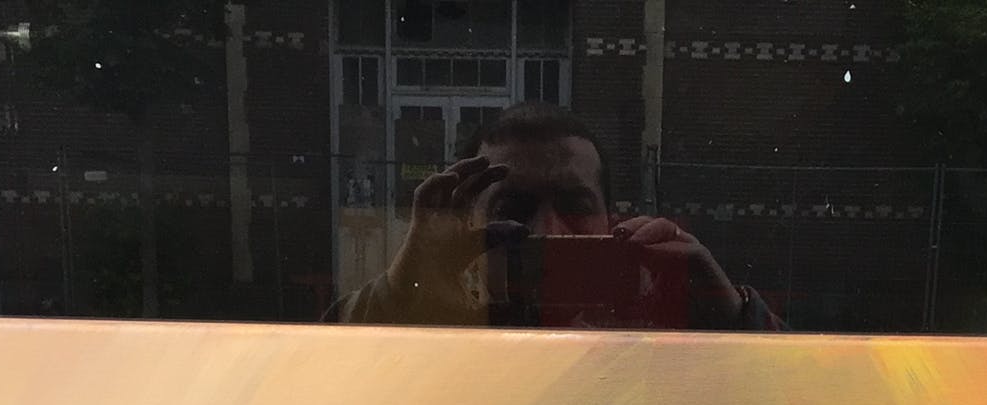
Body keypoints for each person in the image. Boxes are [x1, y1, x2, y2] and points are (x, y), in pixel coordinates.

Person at [331, 104, 775, 330]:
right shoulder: (434, 333)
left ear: (612, 223)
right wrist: (404, 289)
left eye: (574, 206)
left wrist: (728, 316)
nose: (545, 231)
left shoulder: (656, 342)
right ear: (468, 230)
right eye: (512, 211)